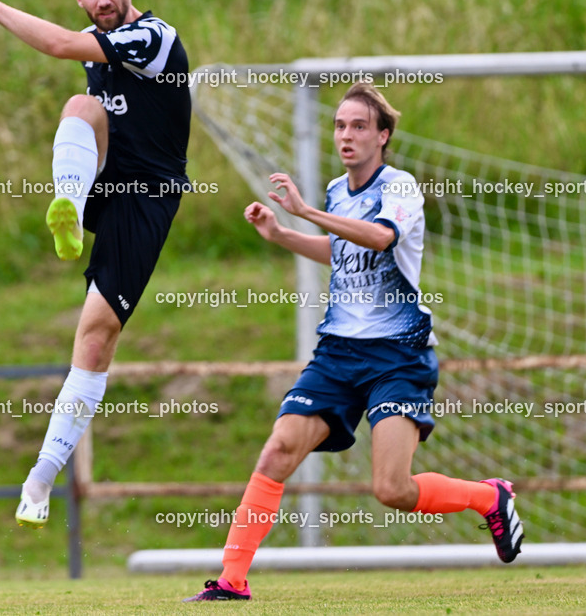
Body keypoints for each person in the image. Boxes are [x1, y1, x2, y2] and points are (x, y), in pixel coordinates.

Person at [185, 83, 523, 602]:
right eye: (340, 125)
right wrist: (281, 234)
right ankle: (231, 581)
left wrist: (305, 212)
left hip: (398, 355)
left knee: (391, 490)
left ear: (383, 136)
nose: (346, 135)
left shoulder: (401, 187)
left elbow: (380, 237)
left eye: (359, 126)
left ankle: (488, 498)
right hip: (338, 354)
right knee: (277, 450)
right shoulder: (336, 192)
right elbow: (342, 249)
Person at [0, 0, 190, 527]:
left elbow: (55, 45)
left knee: (96, 337)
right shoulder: (94, 39)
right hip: (104, 181)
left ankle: (39, 480)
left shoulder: (152, 36)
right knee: (81, 103)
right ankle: (69, 211)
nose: (103, 1)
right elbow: (68, 51)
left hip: (145, 200)